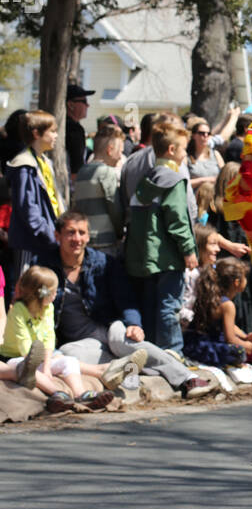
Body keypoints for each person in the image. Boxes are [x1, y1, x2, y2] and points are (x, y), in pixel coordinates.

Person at [45, 210, 213, 398]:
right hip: (82, 341)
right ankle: (152, 359)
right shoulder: (45, 267)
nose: (77, 238)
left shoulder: (103, 263)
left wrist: (134, 324)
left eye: (82, 233)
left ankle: (187, 378)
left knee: (121, 341)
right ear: (57, 235)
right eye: (70, 232)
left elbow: (126, 299)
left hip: (109, 325)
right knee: (67, 354)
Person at [0, 264, 141, 413]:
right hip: (15, 357)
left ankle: (81, 394)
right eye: (53, 292)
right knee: (27, 369)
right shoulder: (18, 310)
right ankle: (57, 394)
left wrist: (47, 366)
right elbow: (24, 344)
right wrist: (38, 363)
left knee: (70, 361)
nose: (56, 295)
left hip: (39, 357)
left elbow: (49, 337)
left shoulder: (48, 308)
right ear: (41, 294)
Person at [124, 121, 198, 350]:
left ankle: (150, 353)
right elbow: (178, 220)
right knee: (169, 307)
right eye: (185, 149)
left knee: (150, 306)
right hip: (168, 257)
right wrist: (188, 250)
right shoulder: (173, 181)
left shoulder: (146, 180)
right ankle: (173, 354)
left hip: (144, 258)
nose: (186, 154)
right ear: (172, 150)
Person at [6, 110, 62, 275]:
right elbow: (28, 209)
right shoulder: (24, 165)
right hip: (29, 243)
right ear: (36, 133)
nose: (56, 135)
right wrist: (49, 234)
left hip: (48, 240)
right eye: (52, 131)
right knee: (25, 290)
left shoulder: (44, 161)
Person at [182, 258, 252, 367]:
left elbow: (230, 326)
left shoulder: (211, 297)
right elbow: (230, 338)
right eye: (245, 277)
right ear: (237, 282)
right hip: (208, 347)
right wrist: (248, 346)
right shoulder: (228, 305)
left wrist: (246, 337)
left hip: (193, 344)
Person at [72, 122, 126, 254]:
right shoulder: (106, 172)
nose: (120, 157)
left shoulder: (82, 172)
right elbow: (114, 207)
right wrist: (120, 233)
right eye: (120, 151)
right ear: (110, 149)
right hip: (104, 241)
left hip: (85, 238)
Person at [179, 223, 221, 329]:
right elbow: (184, 305)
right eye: (212, 244)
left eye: (218, 244)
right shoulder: (190, 274)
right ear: (200, 246)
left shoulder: (206, 270)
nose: (218, 249)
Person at [186, 116, 225, 190]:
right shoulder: (186, 157)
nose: (206, 135)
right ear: (194, 135)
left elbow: (225, 176)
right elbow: (184, 183)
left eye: (208, 133)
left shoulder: (215, 154)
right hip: (195, 199)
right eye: (202, 133)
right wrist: (205, 180)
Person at [65, 83, 94, 180]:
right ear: (70, 104)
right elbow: (76, 167)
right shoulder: (74, 129)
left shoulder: (65, 125)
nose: (88, 105)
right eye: (84, 101)